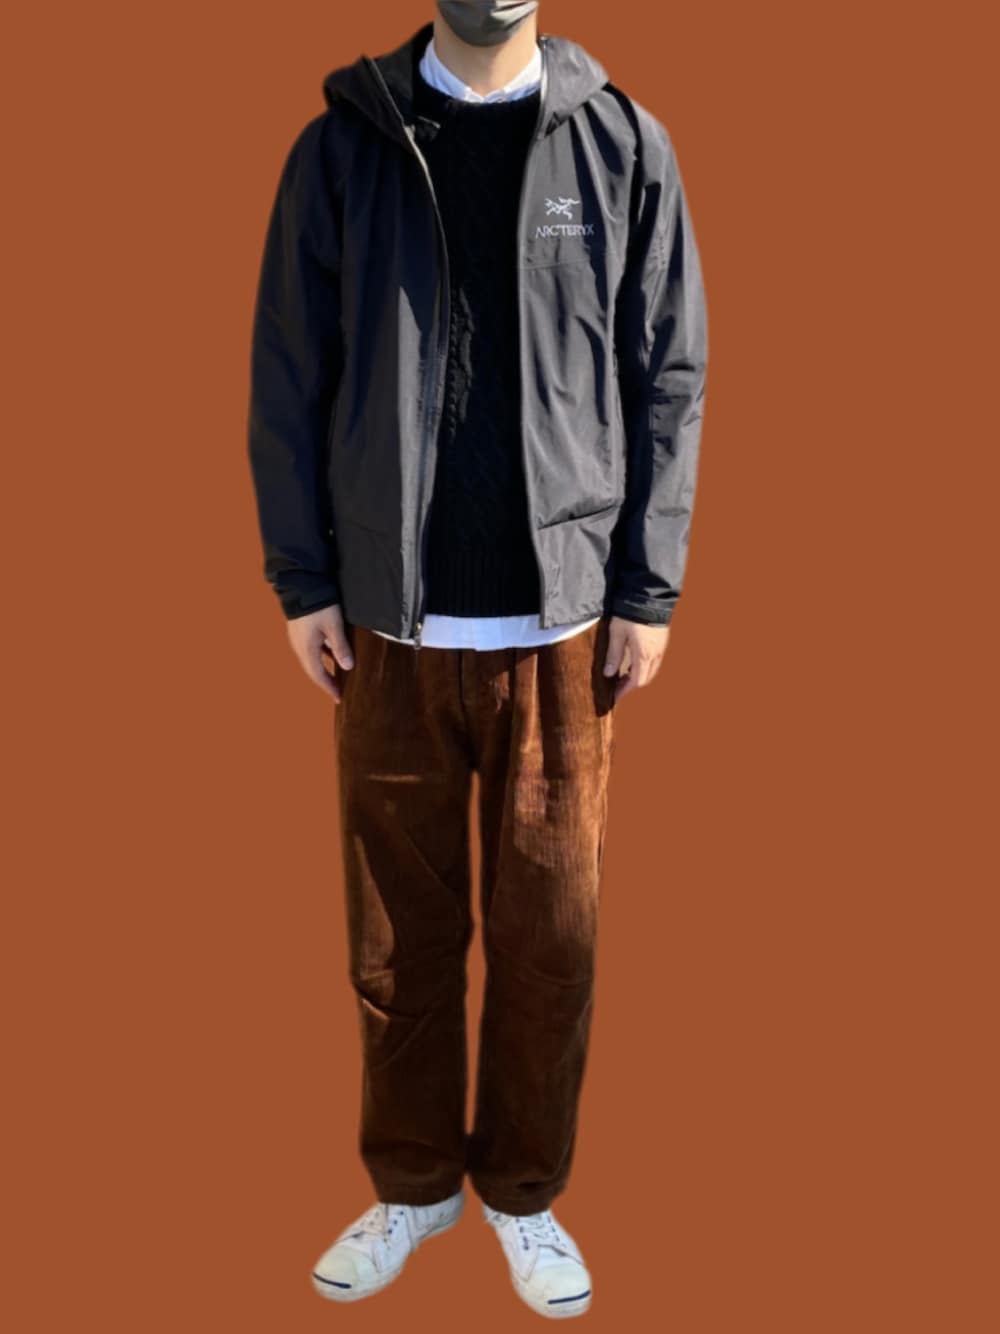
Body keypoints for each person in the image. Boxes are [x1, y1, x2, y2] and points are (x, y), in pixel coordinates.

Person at [246, 1, 708, 1318]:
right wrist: (304, 579)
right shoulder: (345, 147)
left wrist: (648, 586)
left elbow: (668, 373)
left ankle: (522, 1193)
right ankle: (411, 1186)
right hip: (388, 633)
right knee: (396, 942)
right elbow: (288, 370)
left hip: (563, 633)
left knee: (550, 940)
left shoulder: (621, 144)